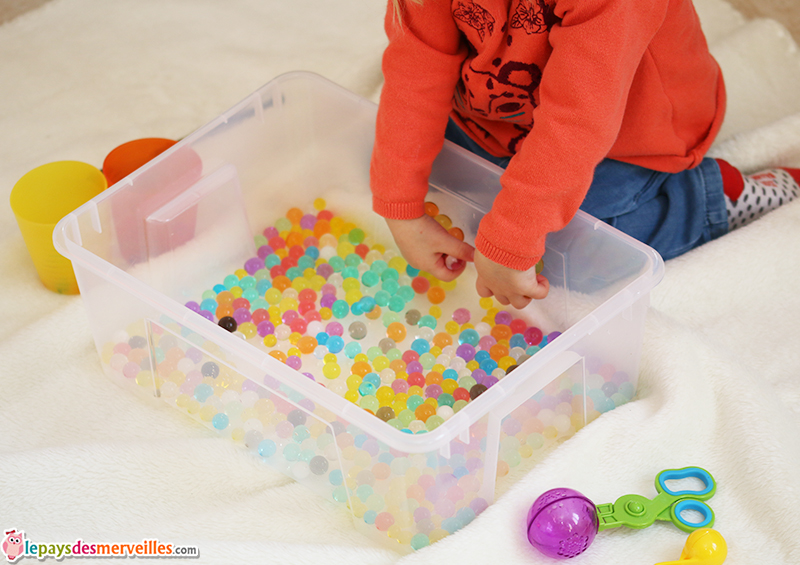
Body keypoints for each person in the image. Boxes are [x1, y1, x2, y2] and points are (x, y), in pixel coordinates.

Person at [369, 0, 800, 309]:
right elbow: (416, 64)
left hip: (629, 132)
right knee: (426, 176)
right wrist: (401, 204)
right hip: (501, 114)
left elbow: (577, 120)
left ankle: (707, 199)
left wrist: (510, 240)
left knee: (574, 253)